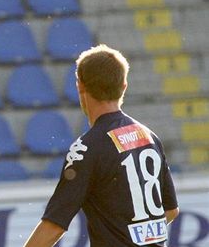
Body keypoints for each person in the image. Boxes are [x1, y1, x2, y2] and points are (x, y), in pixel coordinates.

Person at [24, 45, 179, 247]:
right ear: (124, 85)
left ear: (79, 85)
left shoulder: (86, 149)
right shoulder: (149, 137)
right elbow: (171, 210)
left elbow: (54, 226)